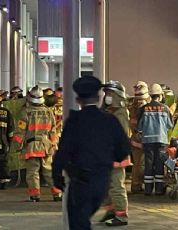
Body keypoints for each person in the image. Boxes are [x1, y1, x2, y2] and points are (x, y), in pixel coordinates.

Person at [52, 76, 131, 230]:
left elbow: (63, 151)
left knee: (78, 222)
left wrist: (56, 174)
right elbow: (124, 150)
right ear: (99, 96)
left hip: (80, 181)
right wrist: (106, 158)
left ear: (78, 100)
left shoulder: (74, 120)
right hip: (101, 180)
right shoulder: (110, 120)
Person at [12, 85, 62, 202]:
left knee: (32, 172)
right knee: (49, 170)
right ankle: (57, 193)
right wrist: (53, 145)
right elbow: (53, 131)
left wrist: (17, 146)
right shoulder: (49, 112)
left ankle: (35, 195)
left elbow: (20, 132)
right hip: (46, 145)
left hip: (32, 146)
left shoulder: (25, 112)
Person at [100, 81, 131, 226]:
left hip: (116, 156)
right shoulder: (108, 113)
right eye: (106, 94)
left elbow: (121, 136)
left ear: (117, 96)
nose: (107, 97)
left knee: (116, 186)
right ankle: (112, 211)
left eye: (109, 94)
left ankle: (121, 216)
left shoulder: (120, 113)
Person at [137, 83, 173, 196]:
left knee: (148, 163)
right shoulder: (165, 109)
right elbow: (170, 125)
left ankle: (148, 189)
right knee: (159, 163)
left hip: (147, 141)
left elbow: (139, 127)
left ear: (150, 95)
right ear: (160, 95)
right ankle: (158, 189)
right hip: (161, 140)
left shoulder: (144, 108)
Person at [128, 81, 150, 193]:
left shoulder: (133, 106)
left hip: (135, 137)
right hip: (140, 137)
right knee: (140, 164)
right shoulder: (142, 106)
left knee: (137, 163)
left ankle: (136, 184)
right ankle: (136, 186)